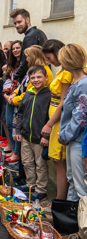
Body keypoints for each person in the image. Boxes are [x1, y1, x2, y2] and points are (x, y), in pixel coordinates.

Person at [41, 39, 71, 200]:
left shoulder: (66, 73)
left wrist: (49, 124)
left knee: (59, 162)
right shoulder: (62, 70)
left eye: (49, 57)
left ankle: (59, 201)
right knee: (57, 161)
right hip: (55, 118)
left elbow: (63, 102)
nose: (48, 61)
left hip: (58, 120)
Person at [16, 65, 51, 201]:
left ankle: (41, 190)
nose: (36, 80)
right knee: (27, 162)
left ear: (46, 77)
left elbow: (50, 118)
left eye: (39, 77)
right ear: (29, 79)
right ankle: (31, 184)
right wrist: (18, 129)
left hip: (39, 138)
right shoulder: (28, 94)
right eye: (33, 77)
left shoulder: (49, 95)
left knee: (40, 164)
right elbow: (20, 113)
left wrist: (46, 136)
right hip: (26, 135)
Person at [59, 44, 87, 201]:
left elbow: (80, 118)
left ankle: (82, 224)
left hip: (78, 140)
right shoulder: (77, 83)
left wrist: (64, 135)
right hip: (73, 139)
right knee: (73, 180)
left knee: (80, 186)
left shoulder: (83, 85)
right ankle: (70, 221)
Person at [10, 8, 47, 82]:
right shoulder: (39, 32)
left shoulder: (30, 36)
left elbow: (26, 61)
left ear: (27, 20)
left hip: (35, 78)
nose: (17, 25)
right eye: (15, 23)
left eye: (19, 22)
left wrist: (16, 75)